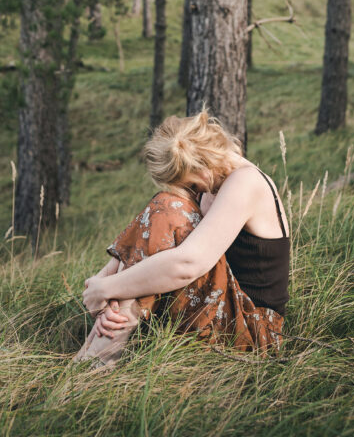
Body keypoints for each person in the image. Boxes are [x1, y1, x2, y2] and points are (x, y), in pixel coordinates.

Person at [74, 109, 290, 367]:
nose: (190, 192)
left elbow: (187, 264)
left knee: (167, 209)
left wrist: (109, 288)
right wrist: (103, 280)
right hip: (225, 311)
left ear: (201, 169)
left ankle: (98, 358)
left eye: (190, 185)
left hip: (254, 331)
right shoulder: (212, 183)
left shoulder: (246, 183)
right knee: (164, 209)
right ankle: (99, 349)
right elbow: (152, 241)